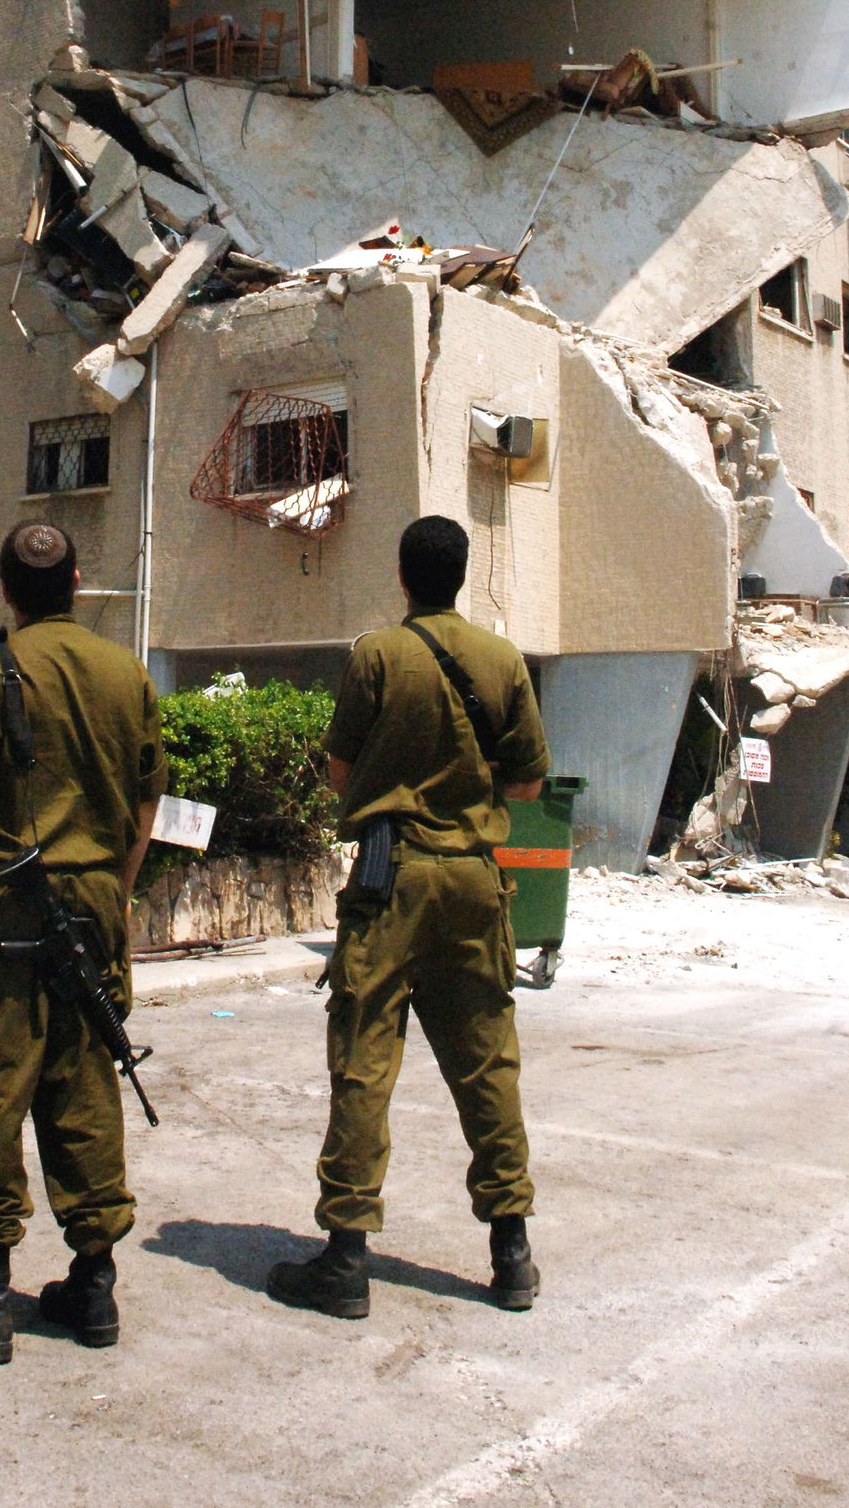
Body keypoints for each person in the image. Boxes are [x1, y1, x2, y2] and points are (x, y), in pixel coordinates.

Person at [267, 515, 550, 1320]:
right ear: (461, 575)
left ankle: (347, 1256)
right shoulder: (501, 659)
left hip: (391, 880)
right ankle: (512, 1250)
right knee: (488, 1061)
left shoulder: (378, 656)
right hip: (472, 879)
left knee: (364, 1060)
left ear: (403, 575)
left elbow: (338, 770)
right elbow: (529, 786)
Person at [0, 522, 167, 1365]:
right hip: (92, 896)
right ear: (78, 582)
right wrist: (115, 895)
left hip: (8, 901)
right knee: (85, 1075)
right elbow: (147, 802)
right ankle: (92, 1282)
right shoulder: (126, 672)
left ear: (8, 592)